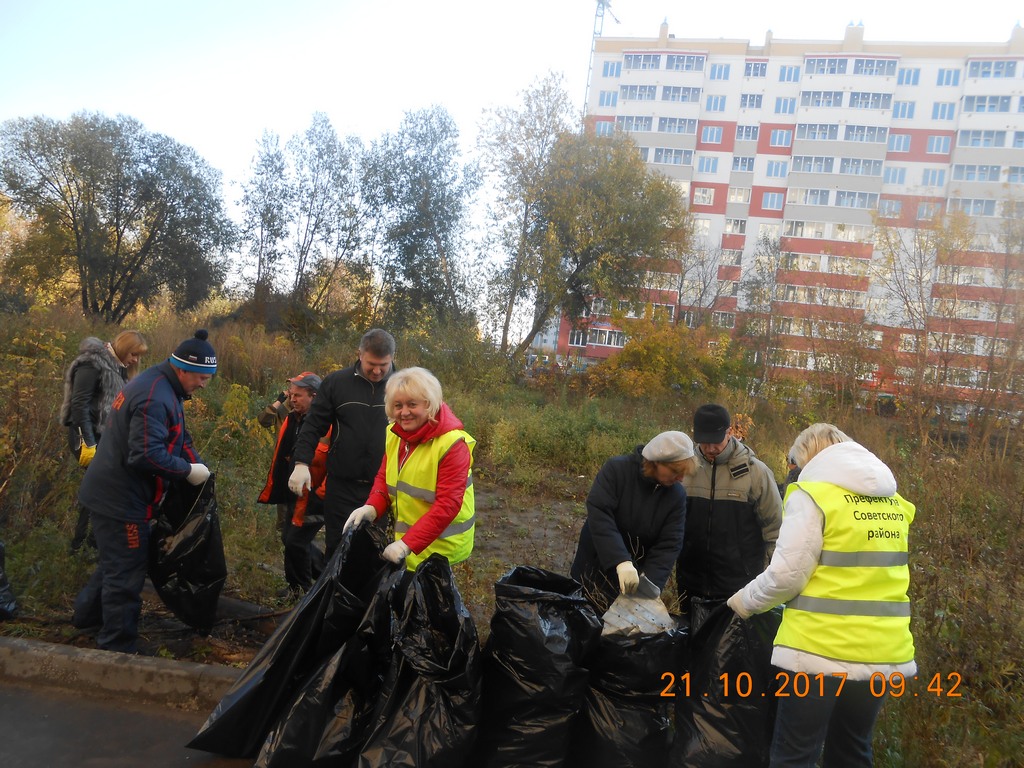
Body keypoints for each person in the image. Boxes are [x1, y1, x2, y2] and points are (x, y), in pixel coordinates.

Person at [727, 423, 916, 767]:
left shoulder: (812, 494)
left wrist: (743, 602)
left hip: (816, 655)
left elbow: (786, 576)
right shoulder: (894, 503)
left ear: (808, 457)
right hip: (882, 654)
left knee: (794, 755)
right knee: (853, 750)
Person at [71, 329, 216, 653]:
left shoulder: (163, 387)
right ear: (183, 370)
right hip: (120, 499)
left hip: (113, 492)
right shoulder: (155, 395)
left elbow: (179, 437)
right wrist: (186, 470)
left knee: (114, 563)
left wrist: (199, 467)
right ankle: (117, 645)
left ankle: (87, 618)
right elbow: (146, 454)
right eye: (202, 377)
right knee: (127, 571)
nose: (205, 384)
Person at [341, 367, 475, 570]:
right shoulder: (395, 434)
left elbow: (448, 504)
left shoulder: (452, 445)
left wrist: (407, 544)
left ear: (429, 405)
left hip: (442, 554)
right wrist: (372, 506)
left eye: (412, 404)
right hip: (408, 547)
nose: (404, 412)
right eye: (398, 405)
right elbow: (385, 477)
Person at [289, 329, 396, 560]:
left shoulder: (403, 386)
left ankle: (367, 595)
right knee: (337, 546)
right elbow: (312, 426)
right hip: (342, 485)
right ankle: (334, 595)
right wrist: (301, 463)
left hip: (385, 485)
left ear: (392, 359)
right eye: (371, 364)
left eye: (384, 365)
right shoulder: (337, 383)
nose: (377, 371)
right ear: (359, 354)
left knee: (375, 549)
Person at [570, 431, 697, 608]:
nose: (681, 479)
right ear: (657, 462)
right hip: (594, 567)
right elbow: (599, 515)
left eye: (684, 473)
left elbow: (669, 544)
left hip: (634, 579)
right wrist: (620, 561)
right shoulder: (617, 470)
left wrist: (648, 588)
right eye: (676, 471)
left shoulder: (676, 496)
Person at [676, 403, 783, 608]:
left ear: (730, 432)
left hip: (739, 585)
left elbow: (775, 529)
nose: (710, 448)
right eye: (704, 442)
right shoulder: (684, 470)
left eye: (715, 441)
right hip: (690, 580)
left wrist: (772, 575)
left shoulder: (756, 473)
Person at [60, 330, 149, 552]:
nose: (135, 360)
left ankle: (91, 544)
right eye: (133, 354)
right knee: (98, 490)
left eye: (139, 356)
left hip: (104, 436)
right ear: (123, 348)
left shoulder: (118, 367)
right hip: (85, 434)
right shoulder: (93, 363)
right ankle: (81, 547)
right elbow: (79, 405)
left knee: (102, 490)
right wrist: (88, 444)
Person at [257, 371, 328, 597]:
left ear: (314, 396)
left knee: (296, 541)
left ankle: (303, 589)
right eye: (291, 395)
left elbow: (333, 462)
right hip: (294, 491)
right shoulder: (293, 418)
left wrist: (322, 494)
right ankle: (315, 581)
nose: (292, 399)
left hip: (315, 495)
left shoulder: (327, 424)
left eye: (298, 396)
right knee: (289, 538)